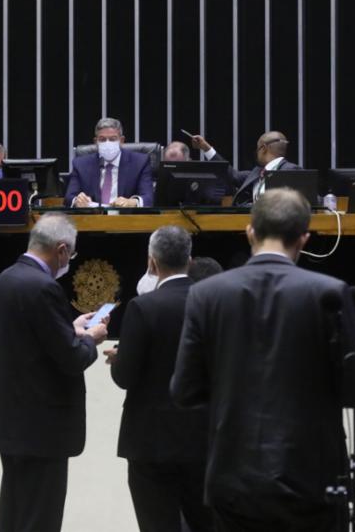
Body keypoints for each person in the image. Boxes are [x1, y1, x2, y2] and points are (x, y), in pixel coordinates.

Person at [171, 189, 355, 532]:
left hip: (233, 478)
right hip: (312, 480)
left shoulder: (206, 294)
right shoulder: (329, 292)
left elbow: (185, 390)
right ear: (304, 238)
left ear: (250, 231)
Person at [0, 213, 109, 532]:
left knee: (15, 514)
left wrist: (70, 328)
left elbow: (32, 341)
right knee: (40, 519)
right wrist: (90, 339)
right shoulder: (43, 287)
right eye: (71, 255)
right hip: (41, 427)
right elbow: (70, 358)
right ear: (61, 250)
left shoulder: (5, 279)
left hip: (11, 422)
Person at [106, 227, 212, 532]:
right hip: (202, 436)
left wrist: (119, 360)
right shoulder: (213, 302)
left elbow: (126, 377)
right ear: (189, 260)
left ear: (152, 263)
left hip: (150, 441)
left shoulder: (143, 307)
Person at [188, 131, 299, 206]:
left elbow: (312, 201)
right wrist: (206, 148)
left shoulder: (291, 170)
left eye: (258, 149)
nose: (256, 153)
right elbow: (231, 175)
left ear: (264, 149)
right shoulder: (257, 173)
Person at [64, 118, 155, 208]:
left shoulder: (139, 162)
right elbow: (69, 198)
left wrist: (132, 202)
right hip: (92, 218)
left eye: (113, 139)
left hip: (126, 218)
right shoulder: (81, 164)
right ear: (96, 142)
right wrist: (77, 201)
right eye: (102, 139)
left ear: (121, 141)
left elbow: (148, 198)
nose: (108, 143)